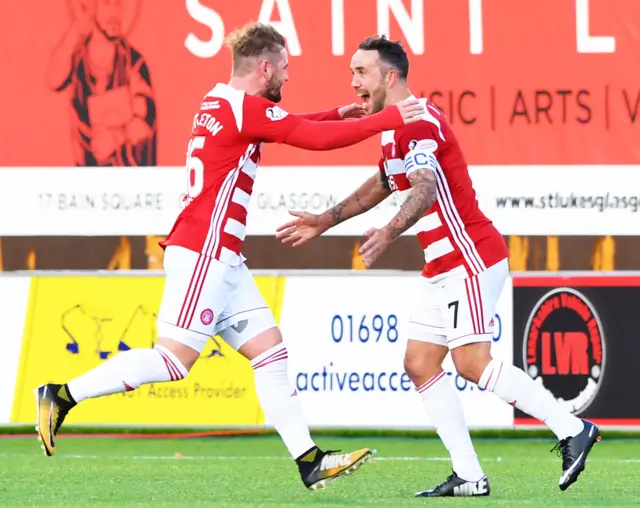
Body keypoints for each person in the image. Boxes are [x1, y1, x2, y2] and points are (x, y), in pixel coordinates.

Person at [35, 23, 425, 491]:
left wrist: (339, 113)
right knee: (174, 361)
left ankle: (309, 460)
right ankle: (61, 395)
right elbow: (308, 138)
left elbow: (288, 127)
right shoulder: (245, 111)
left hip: (221, 258)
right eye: (284, 68)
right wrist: (392, 117)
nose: (287, 76)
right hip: (205, 252)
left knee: (271, 351)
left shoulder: (219, 101)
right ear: (264, 67)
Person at [276, 35, 600, 497]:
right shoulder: (394, 128)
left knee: (471, 363)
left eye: (361, 73)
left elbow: (424, 186)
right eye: (351, 74)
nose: (353, 84)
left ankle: (572, 429)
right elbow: (382, 184)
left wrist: (388, 232)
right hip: (442, 265)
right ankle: (468, 474)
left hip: (469, 257)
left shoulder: (419, 122)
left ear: (390, 77)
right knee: (421, 362)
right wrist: (324, 221)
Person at [48, 0, 156, 166]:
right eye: (107, 3)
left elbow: (146, 119)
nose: (115, 13)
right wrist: (76, 31)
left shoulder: (132, 63)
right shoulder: (78, 60)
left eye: (119, 5)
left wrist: (118, 136)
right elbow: (54, 80)